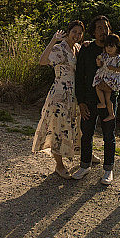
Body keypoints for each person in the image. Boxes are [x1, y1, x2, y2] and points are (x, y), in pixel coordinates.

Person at [32, 20, 85, 179]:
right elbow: (42, 61)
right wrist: (54, 40)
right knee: (57, 129)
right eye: (74, 31)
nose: (76, 35)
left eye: (79, 33)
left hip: (74, 94)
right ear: (68, 31)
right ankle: (59, 165)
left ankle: (83, 156)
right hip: (60, 94)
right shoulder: (59, 48)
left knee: (74, 127)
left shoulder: (77, 48)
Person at [72, 15, 118, 185]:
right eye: (99, 28)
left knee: (108, 135)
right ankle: (85, 165)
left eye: (106, 28)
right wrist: (81, 101)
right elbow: (80, 76)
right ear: (93, 31)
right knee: (87, 133)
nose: (103, 31)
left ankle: (108, 169)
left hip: (108, 100)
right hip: (89, 100)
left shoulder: (115, 48)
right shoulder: (87, 50)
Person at [92, 33, 120, 121]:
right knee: (100, 89)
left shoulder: (118, 58)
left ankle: (109, 111)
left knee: (106, 94)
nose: (109, 49)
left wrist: (114, 68)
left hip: (112, 78)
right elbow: (100, 65)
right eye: (107, 46)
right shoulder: (104, 55)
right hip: (103, 75)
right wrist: (99, 62)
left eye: (112, 46)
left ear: (117, 47)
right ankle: (105, 106)